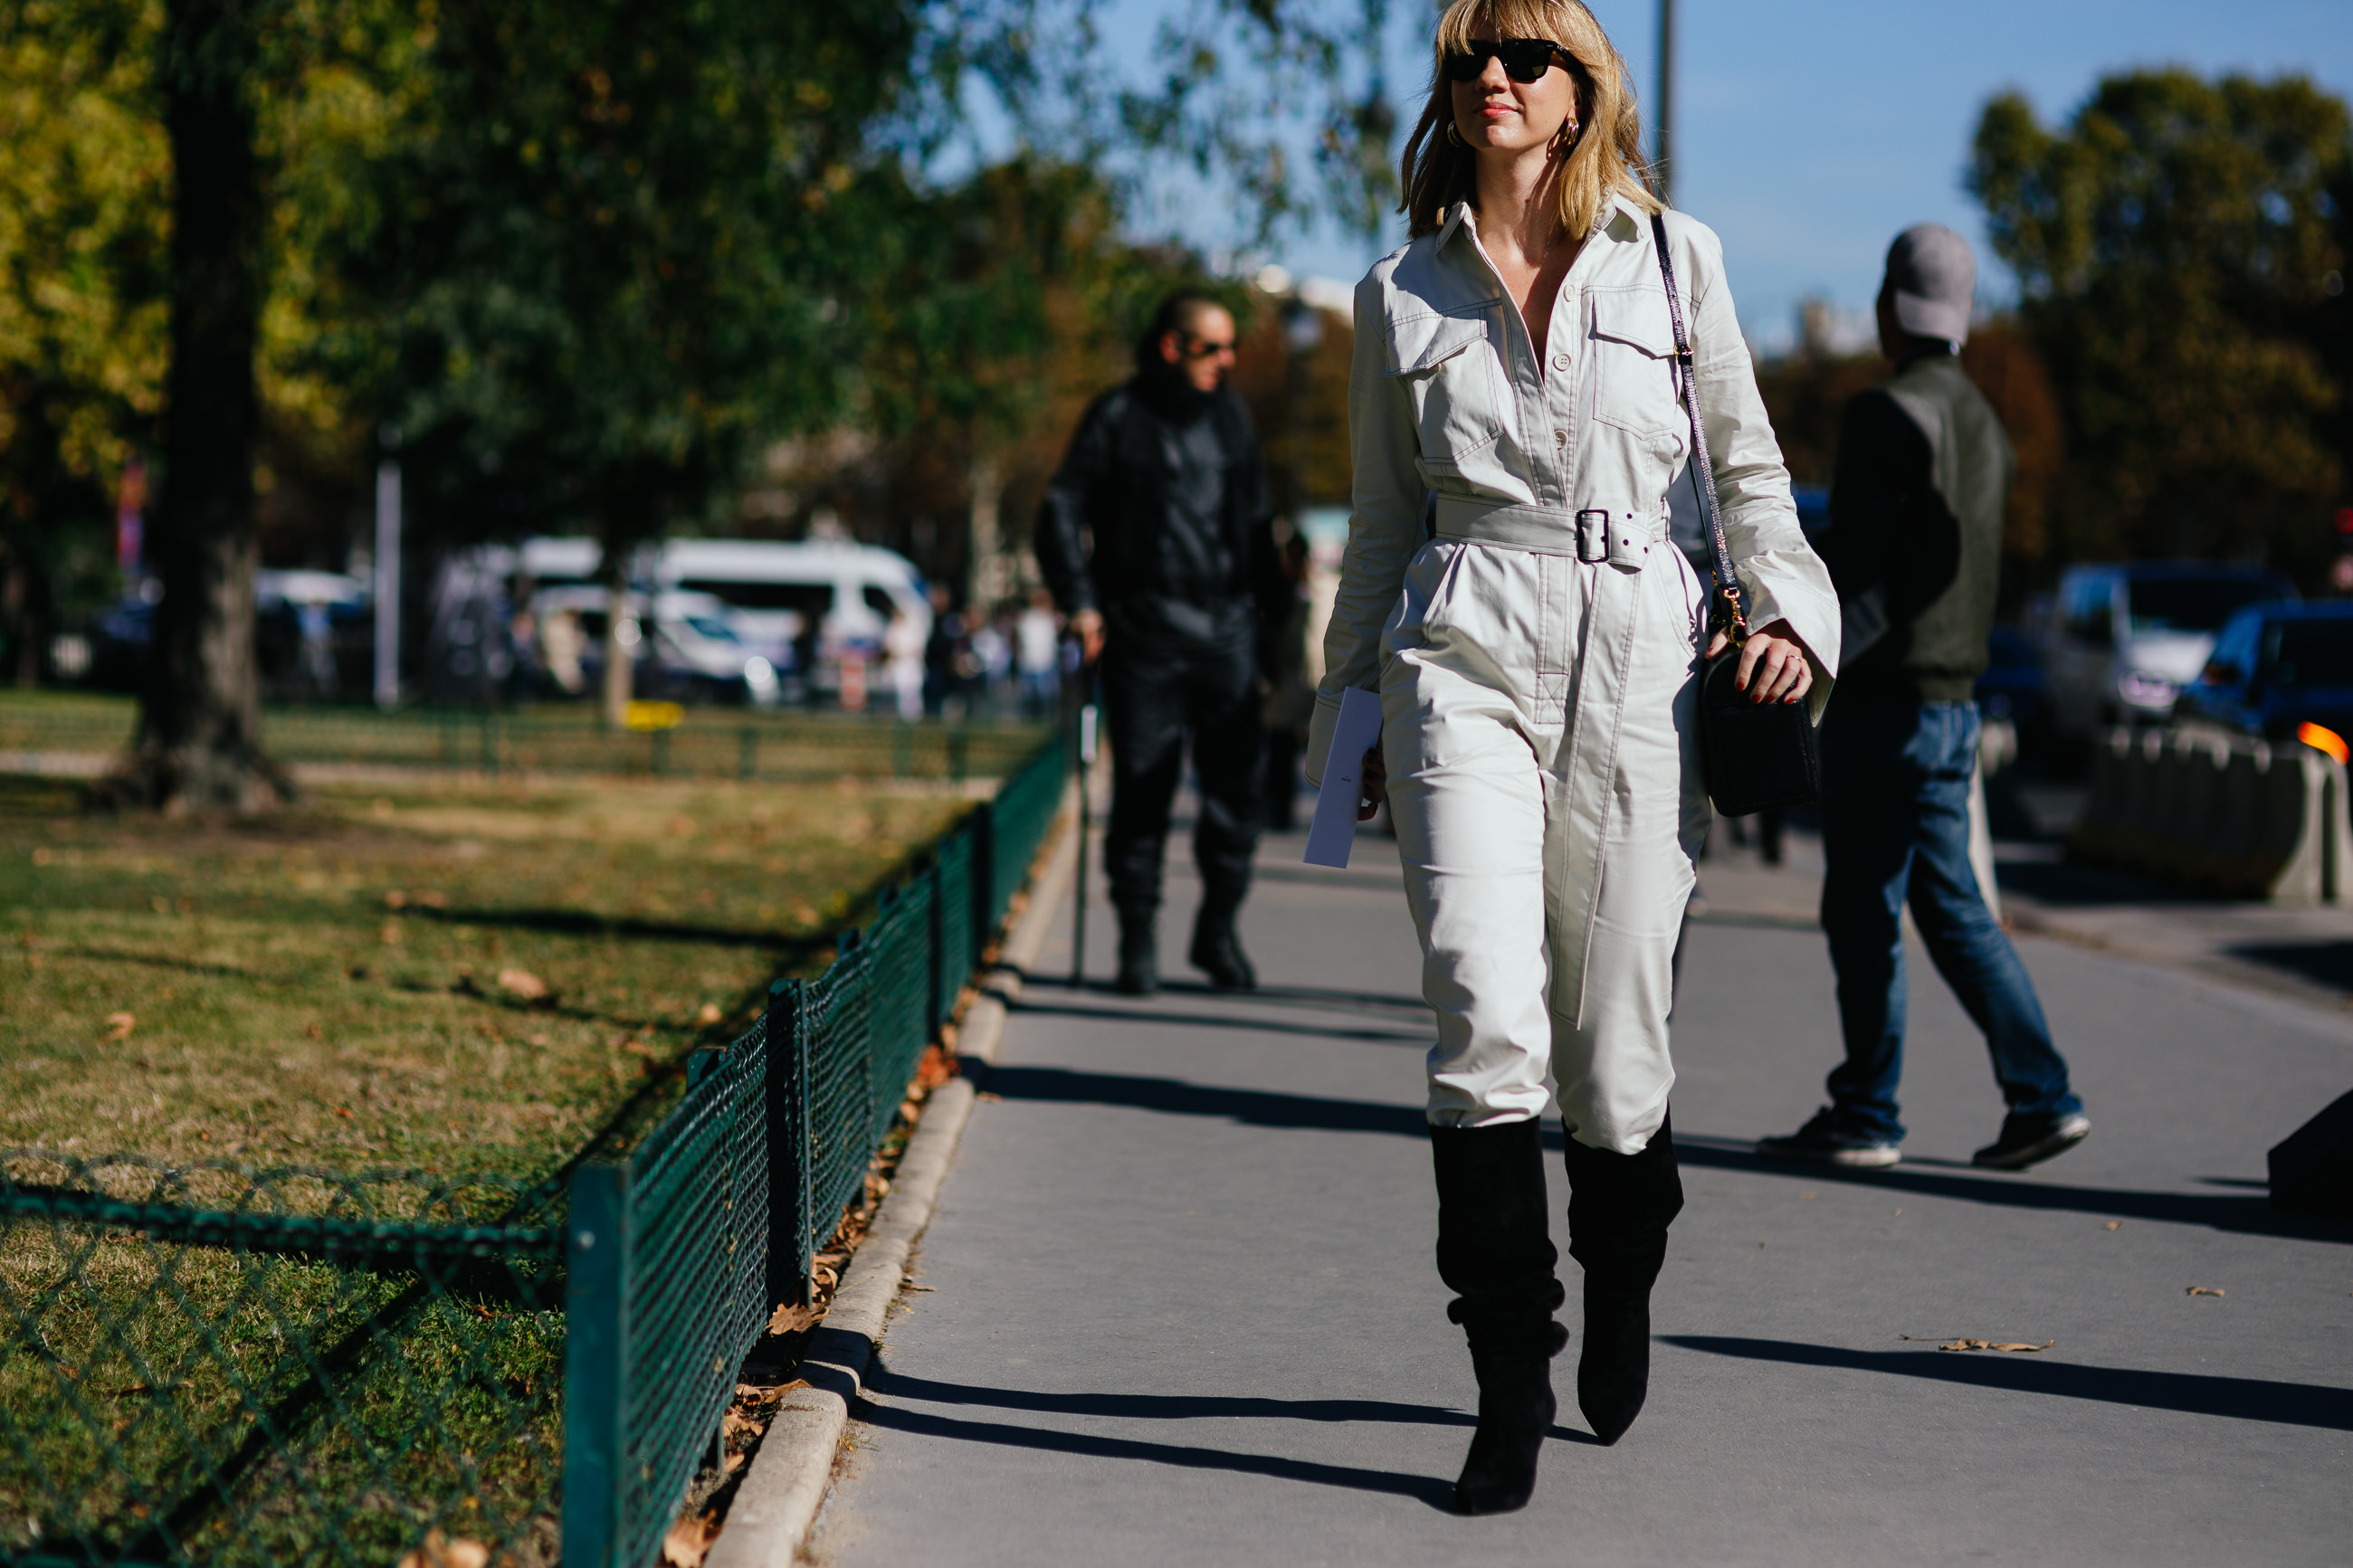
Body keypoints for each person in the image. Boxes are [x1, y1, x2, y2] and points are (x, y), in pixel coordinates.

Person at [1310, 0, 1839, 1514]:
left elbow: (1749, 473)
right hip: (1461, 654)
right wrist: (1348, 724)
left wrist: (1794, 625)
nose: (1493, 75)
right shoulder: (1398, 288)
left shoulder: (1678, 259)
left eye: (1525, 55)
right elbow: (1380, 532)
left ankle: (1621, 1275)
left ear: (1579, 88)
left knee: (1617, 1063)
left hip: (1642, 666)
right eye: (1471, 53)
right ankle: (1507, 1384)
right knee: (1482, 1017)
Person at [1758, 226, 2090, 1173]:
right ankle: (2037, 1093)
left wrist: (1802, 654)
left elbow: (1858, 565)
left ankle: (1871, 1108)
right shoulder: (1984, 422)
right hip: (1954, 699)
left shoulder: (1882, 414)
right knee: (1950, 903)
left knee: (1862, 905)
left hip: (1882, 699)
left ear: (1886, 308)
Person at [1036, 290, 1286, 995]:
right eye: (1213, 347)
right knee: (1144, 793)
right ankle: (1137, 938)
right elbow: (1060, 508)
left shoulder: (1230, 416)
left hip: (1226, 634)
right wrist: (1081, 603)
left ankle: (1216, 929)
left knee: (1237, 795)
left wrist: (1275, 625)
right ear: (1172, 346)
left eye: (1231, 347)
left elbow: (1257, 519)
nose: (1228, 361)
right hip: (1143, 636)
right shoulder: (1117, 415)